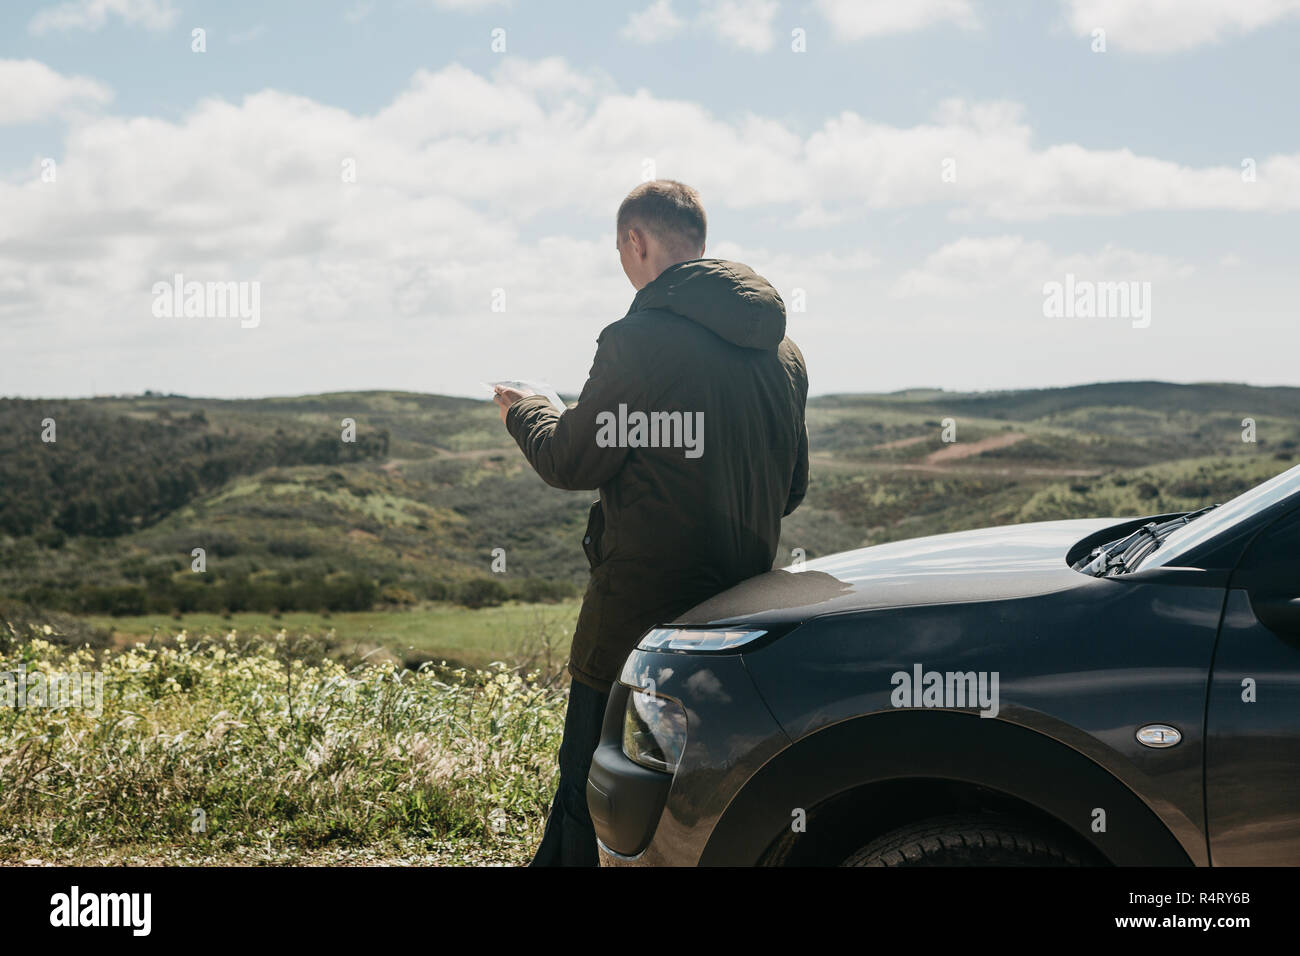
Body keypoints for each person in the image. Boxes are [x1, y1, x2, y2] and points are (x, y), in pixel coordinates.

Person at [494, 179, 809, 866]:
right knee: (700, 800)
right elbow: (790, 491)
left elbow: (572, 459)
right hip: (738, 613)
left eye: (619, 248)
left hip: (638, 614)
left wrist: (528, 410)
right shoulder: (784, 356)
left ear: (635, 241)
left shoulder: (637, 340)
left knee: (590, 789)